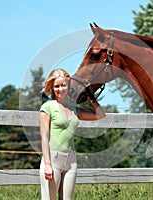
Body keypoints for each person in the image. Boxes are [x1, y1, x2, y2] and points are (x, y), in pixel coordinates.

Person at [39, 68, 105, 200]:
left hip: (71, 161)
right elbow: (44, 138)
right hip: (53, 159)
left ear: (68, 86)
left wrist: (91, 99)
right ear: (52, 88)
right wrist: (47, 164)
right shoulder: (48, 107)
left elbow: (100, 115)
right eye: (56, 86)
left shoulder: (73, 108)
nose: (60, 89)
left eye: (63, 85)